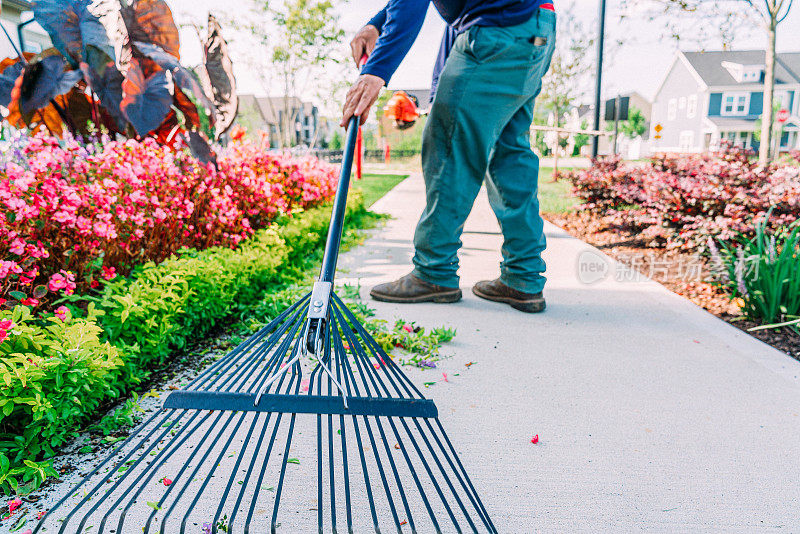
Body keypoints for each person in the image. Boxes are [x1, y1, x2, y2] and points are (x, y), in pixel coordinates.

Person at [341, 0, 556, 313]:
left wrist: (376, 70)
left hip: (495, 32)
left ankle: (434, 271)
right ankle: (523, 278)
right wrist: (377, 21)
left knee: (448, 147)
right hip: (535, 28)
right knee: (508, 153)